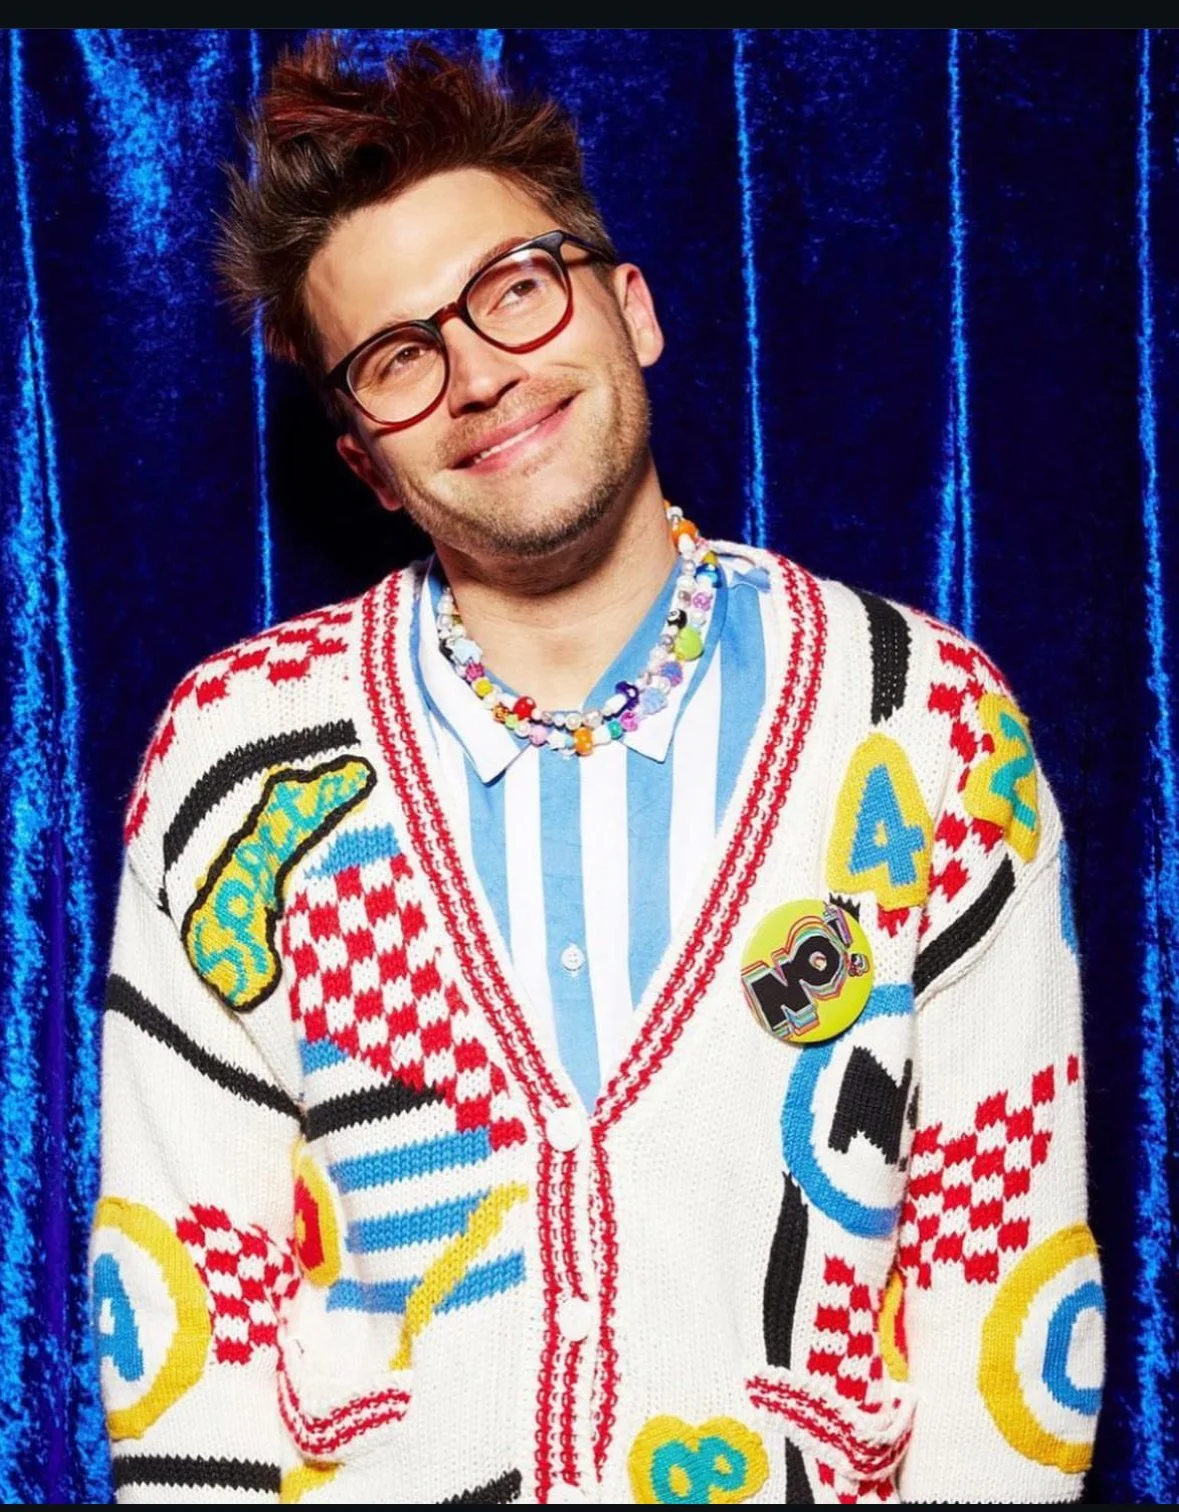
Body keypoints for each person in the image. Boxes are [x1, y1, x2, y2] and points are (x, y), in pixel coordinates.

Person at [90, 34, 1103, 1506]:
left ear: (628, 307)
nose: (479, 376)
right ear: (367, 460)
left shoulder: (921, 721)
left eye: (512, 289)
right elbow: (189, 1301)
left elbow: (1004, 1289)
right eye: (396, 356)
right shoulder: (238, 754)